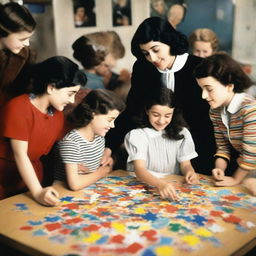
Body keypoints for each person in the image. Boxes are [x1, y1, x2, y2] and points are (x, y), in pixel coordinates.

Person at [106, 16, 216, 174]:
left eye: (156, 50)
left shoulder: (199, 66)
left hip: (199, 146)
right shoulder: (143, 67)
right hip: (157, 151)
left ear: (170, 41)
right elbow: (132, 109)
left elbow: (209, 118)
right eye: (145, 53)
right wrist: (110, 145)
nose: (152, 58)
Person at [0, 56, 86, 205]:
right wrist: (38, 192)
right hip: (4, 178)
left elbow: (62, 143)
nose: (72, 101)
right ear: (51, 87)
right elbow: (20, 155)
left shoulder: (57, 115)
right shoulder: (18, 107)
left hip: (31, 179)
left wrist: (72, 164)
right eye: (70, 93)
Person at [194, 53, 256, 196]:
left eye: (209, 89)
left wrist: (235, 179)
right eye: (201, 89)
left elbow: (251, 155)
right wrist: (219, 169)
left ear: (229, 86)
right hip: (248, 169)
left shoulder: (250, 109)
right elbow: (222, 147)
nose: (203, 96)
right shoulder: (215, 111)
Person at [124, 87, 199, 200]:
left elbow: (185, 164)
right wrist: (159, 184)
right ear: (147, 111)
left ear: (174, 113)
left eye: (167, 116)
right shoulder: (137, 135)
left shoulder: (182, 132)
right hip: (146, 185)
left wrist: (190, 172)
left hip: (172, 185)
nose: (161, 121)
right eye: (156, 115)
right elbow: (139, 169)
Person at [54, 89, 125, 191]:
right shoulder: (71, 142)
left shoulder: (99, 138)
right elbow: (75, 184)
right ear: (93, 114)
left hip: (88, 192)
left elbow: (95, 169)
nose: (113, 125)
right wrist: (102, 172)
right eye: (110, 120)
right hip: (63, 193)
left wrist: (108, 163)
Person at [0, 2, 36, 107]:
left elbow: (26, 90)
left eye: (29, 38)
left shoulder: (26, 54)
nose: (27, 43)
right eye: (22, 39)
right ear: (2, 32)